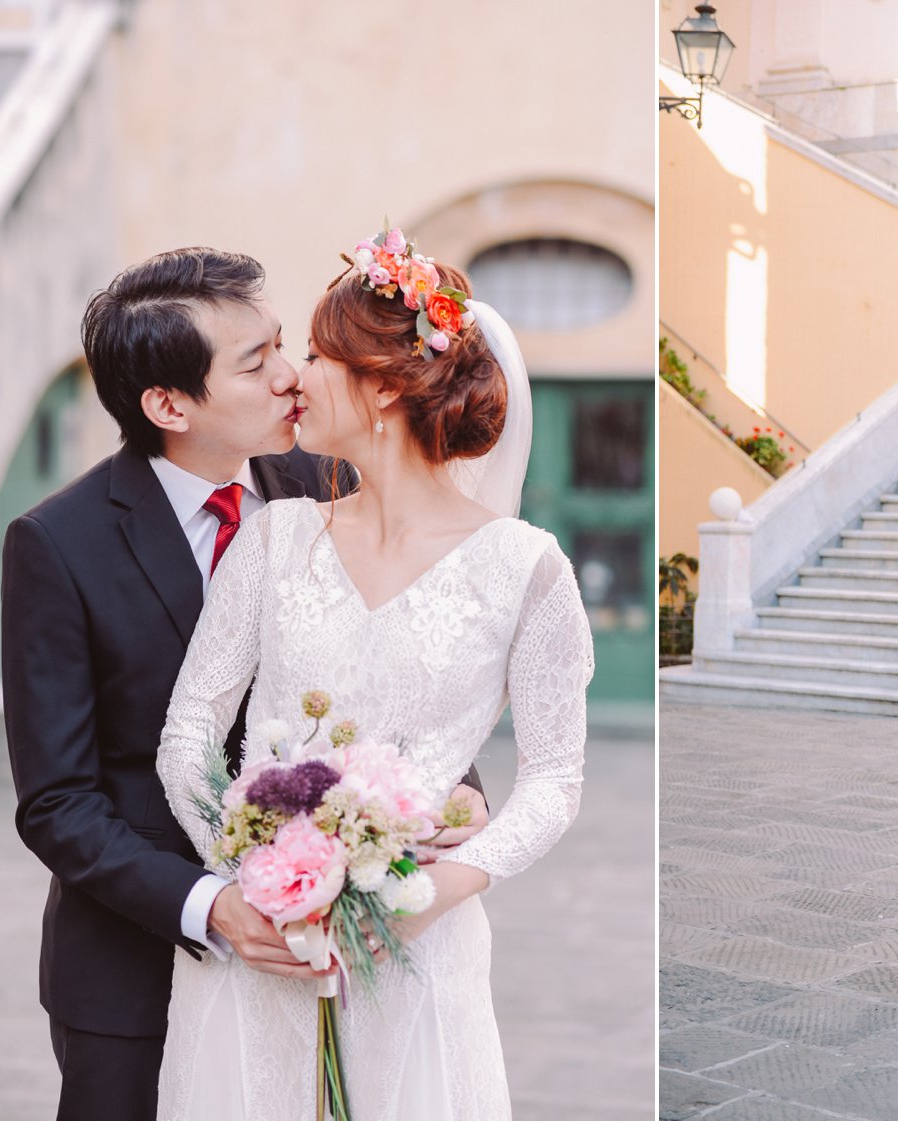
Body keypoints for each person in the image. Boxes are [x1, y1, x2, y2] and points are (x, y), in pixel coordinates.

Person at [0, 248, 487, 1121]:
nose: (292, 377)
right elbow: (57, 802)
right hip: (138, 969)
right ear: (169, 404)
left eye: (281, 347)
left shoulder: (327, 483)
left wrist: (455, 787)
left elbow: (401, 659)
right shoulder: (57, 545)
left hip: (332, 953)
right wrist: (213, 905)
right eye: (256, 363)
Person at [154, 233, 595, 1119]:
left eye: (316, 356)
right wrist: (254, 875)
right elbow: (189, 731)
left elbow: (554, 779)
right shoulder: (274, 541)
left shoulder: (526, 568)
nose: (295, 376)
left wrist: (434, 892)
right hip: (263, 955)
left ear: (386, 385)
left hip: (420, 949)